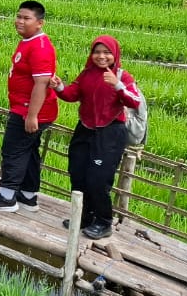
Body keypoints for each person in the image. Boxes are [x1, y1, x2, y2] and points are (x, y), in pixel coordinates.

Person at [51, 35, 141, 238]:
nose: (101, 56)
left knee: (98, 179)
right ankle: (84, 216)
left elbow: (135, 101)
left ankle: (103, 221)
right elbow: (72, 94)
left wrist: (118, 85)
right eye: (97, 52)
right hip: (85, 129)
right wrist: (58, 86)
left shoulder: (122, 76)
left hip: (109, 133)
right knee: (78, 173)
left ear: (115, 54)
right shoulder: (87, 74)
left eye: (107, 52)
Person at [0, 0, 58, 213]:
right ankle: (28, 195)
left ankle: (6, 197)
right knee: (29, 151)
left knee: (13, 150)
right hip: (28, 108)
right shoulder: (29, 41)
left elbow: (41, 83)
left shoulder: (40, 47)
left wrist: (32, 116)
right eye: (19, 16)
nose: (20, 21)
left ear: (39, 23)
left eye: (26, 18)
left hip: (28, 110)